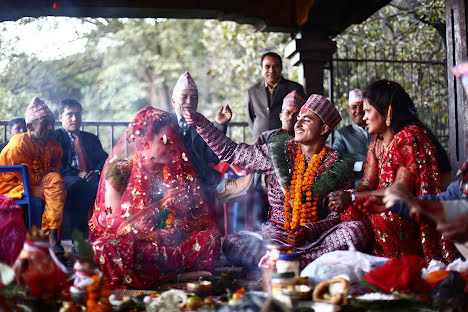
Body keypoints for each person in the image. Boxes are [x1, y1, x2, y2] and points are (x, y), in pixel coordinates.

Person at [185, 94, 372, 269]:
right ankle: (302, 263)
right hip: (273, 237)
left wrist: (308, 230)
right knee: (233, 243)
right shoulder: (277, 153)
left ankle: (284, 263)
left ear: (323, 129)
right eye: (298, 117)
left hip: (316, 238)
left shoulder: (337, 165)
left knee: (356, 230)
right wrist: (202, 124)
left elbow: (335, 216)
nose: (297, 123)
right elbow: (231, 152)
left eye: (306, 119)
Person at [88, 106, 221, 289]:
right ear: (145, 141)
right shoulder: (118, 172)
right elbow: (111, 218)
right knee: (105, 248)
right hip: (133, 243)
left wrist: (167, 228)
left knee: (210, 238)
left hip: (165, 244)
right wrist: (149, 231)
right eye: (165, 141)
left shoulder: (173, 172)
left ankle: (159, 278)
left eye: (173, 141)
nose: (172, 147)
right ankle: (176, 278)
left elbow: (175, 212)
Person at [329, 79, 456, 264]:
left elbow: (400, 191)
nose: (364, 117)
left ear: (387, 110)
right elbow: (368, 182)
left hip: (409, 208)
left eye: (368, 111)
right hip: (383, 202)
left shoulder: (410, 137)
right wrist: (349, 196)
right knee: (348, 211)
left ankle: (404, 264)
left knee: (385, 216)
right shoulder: (377, 142)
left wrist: (355, 197)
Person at [171, 71, 252, 202]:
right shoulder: (163, 122)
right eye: (184, 97)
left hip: (199, 185)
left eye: (194, 97)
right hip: (171, 183)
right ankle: (222, 186)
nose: (189, 101)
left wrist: (219, 125)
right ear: (173, 101)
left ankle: (223, 186)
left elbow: (211, 158)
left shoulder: (200, 123)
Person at [0, 97, 66, 254]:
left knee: (57, 182)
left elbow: (52, 170)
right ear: (30, 126)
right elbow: (28, 179)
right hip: (12, 185)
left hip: (34, 184)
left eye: (52, 123)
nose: (51, 127)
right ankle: (50, 239)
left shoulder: (54, 146)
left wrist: (50, 179)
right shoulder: (19, 144)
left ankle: (50, 236)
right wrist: (47, 179)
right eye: (45, 124)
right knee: (56, 192)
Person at [53, 99, 108, 240]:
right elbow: (54, 163)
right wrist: (77, 173)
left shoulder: (91, 138)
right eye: (69, 114)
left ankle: (106, 237)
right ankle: (79, 240)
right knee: (80, 187)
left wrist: (96, 173)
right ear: (60, 117)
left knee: (107, 187)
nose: (74, 118)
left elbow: (104, 160)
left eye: (78, 114)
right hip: (67, 178)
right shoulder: (55, 138)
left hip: (91, 179)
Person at [252, 90, 305, 222]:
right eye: (288, 112)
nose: (291, 117)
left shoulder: (304, 139)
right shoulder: (265, 137)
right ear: (281, 115)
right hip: (266, 186)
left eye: (296, 114)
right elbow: (253, 160)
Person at [247, 52, 306, 142]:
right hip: (259, 140)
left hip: (286, 140)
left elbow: (303, 115)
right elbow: (251, 118)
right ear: (261, 68)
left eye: (275, 66)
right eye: (267, 66)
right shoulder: (252, 91)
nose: (271, 70)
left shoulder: (295, 88)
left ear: (281, 68)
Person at [333, 89, 373, 187]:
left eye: (362, 107)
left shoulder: (378, 130)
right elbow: (335, 161)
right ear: (349, 110)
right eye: (354, 107)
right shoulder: (342, 134)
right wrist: (360, 166)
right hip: (356, 183)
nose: (358, 111)